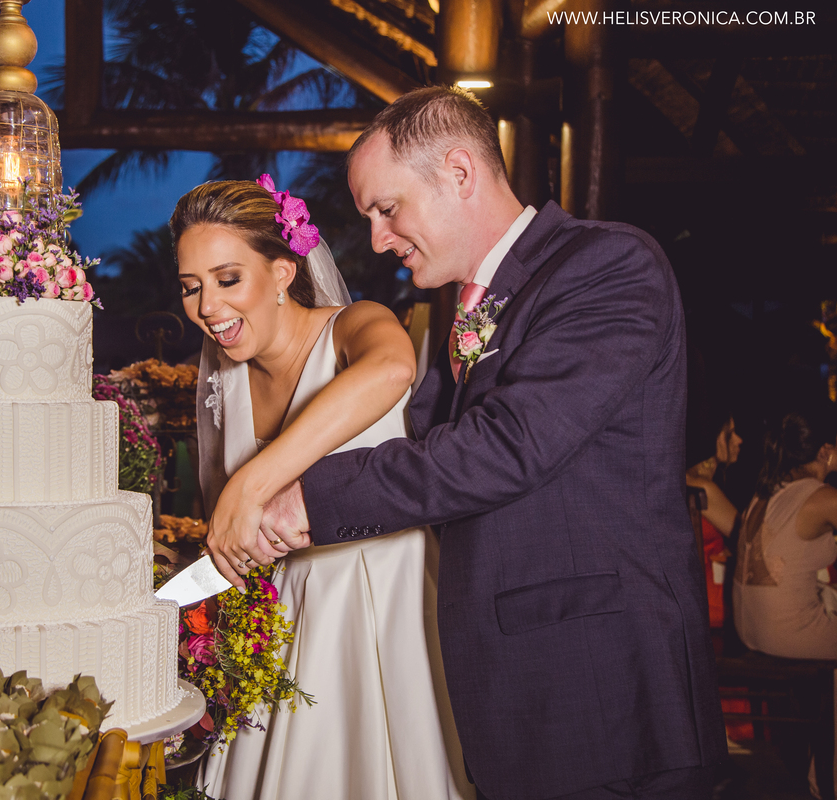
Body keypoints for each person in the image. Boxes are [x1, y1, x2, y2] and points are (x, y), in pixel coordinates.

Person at [212, 86, 727, 799]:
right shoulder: (455, 310)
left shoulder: (607, 266)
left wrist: (304, 501)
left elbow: (507, 446)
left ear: (459, 172)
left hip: (606, 695)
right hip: (515, 693)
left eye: (386, 209)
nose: (377, 239)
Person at [174, 177, 470, 800]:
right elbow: (228, 534)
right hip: (282, 629)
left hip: (385, 612)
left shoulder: (354, 327)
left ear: (284, 272)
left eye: (228, 279)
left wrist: (253, 483)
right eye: (191, 287)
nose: (208, 307)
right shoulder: (222, 385)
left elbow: (392, 369)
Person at [733, 409, 837, 659]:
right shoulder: (822, 498)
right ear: (824, 452)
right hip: (790, 635)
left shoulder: (766, 492)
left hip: (751, 630)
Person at [686, 412, 744, 627]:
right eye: (731, 433)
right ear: (714, 438)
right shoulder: (703, 488)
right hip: (714, 600)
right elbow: (749, 538)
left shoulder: (682, 478)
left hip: (695, 597)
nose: (739, 440)